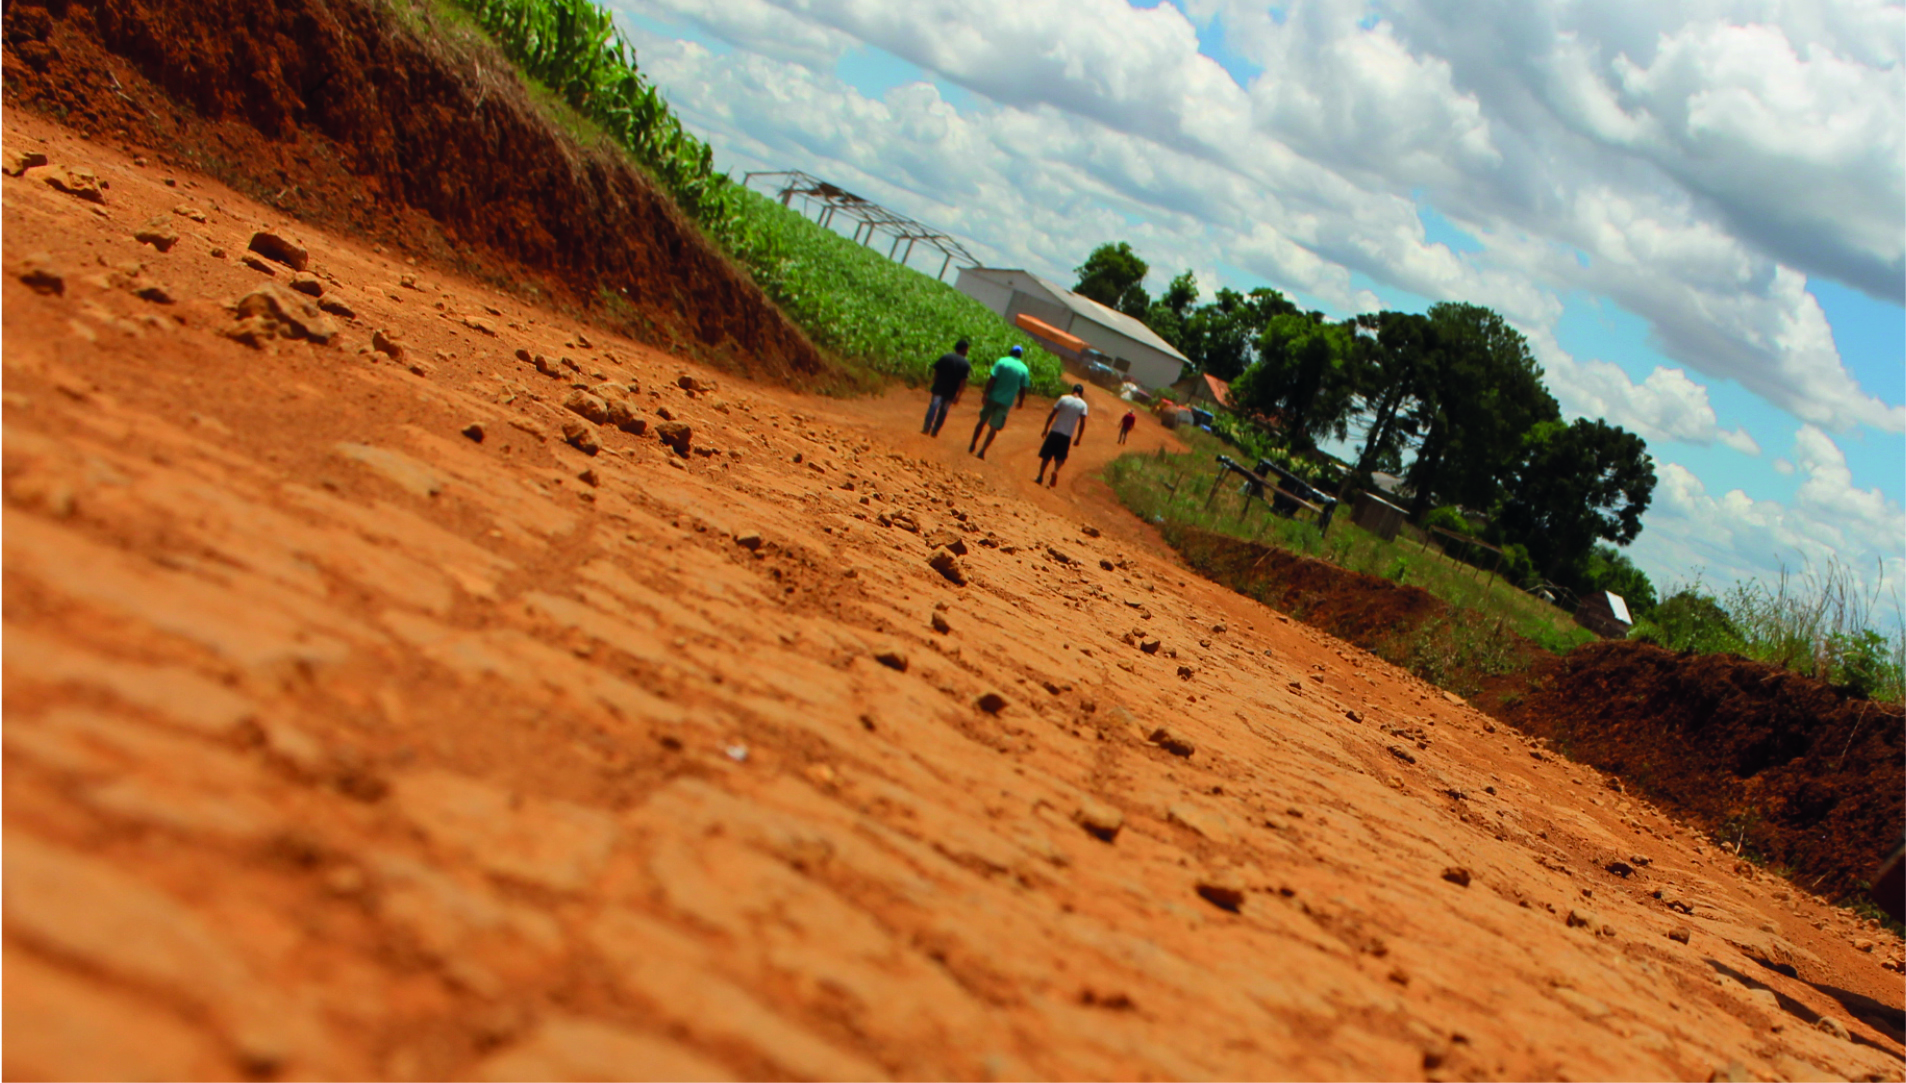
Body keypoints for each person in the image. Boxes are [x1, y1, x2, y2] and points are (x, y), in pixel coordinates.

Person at [969, 345, 1031, 459]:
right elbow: (1023, 388)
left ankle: (973, 443)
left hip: (993, 397)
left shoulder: (1002, 361)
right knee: (994, 427)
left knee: (982, 421)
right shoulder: (1024, 369)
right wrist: (1021, 401)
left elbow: (992, 378)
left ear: (1010, 351)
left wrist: (985, 393)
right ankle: (982, 451)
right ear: (1020, 355)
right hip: (1006, 402)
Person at [1036, 383, 1089, 487]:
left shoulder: (1063, 398)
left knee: (1046, 456)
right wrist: (1078, 438)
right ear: (1081, 394)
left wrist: (1046, 428)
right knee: (1060, 457)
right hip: (1066, 435)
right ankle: (1055, 471)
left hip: (1055, 431)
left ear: (1072, 391)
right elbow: (1082, 422)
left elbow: (1053, 413)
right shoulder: (1083, 405)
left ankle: (1040, 476)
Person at [921, 339, 971, 436]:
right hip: (951, 392)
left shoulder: (946, 357)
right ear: (964, 349)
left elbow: (936, 371)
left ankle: (926, 428)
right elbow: (962, 382)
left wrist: (935, 382)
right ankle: (935, 430)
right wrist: (958, 395)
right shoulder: (965, 364)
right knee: (943, 411)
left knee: (933, 406)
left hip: (939, 387)